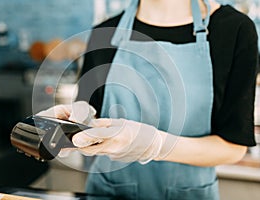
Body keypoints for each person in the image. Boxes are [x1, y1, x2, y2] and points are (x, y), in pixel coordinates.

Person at [38, 0, 258, 199]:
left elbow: (233, 146)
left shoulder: (233, 30)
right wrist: (63, 128)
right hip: (110, 193)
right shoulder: (103, 34)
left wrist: (157, 145)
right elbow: (88, 122)